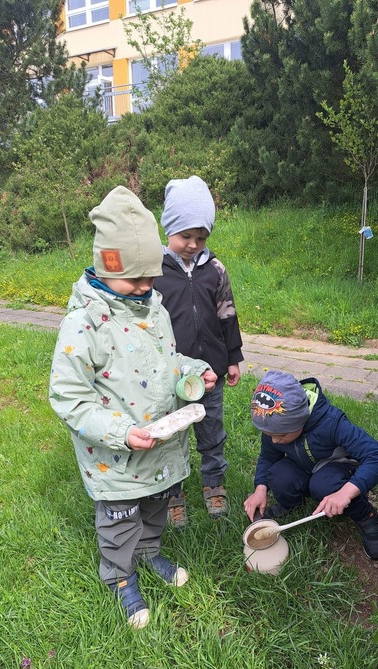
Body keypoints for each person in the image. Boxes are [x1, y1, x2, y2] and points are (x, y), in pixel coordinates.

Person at [49, 186, 217, 629]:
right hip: (116, 455)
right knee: (120, 518)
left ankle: (149, 552)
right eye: (134, 279)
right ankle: (120, 575)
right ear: (108, 266)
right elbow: (68, 396)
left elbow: (168, 361)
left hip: (159, 443)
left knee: (156, 505)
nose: (145, 287)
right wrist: (120, 433)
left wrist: (192, 372)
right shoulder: (84, 324)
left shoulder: (153, 308)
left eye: (151, 278)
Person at [154, 175, 244, 526]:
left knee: (211, 432)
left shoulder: (215, 269)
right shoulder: (153, 272)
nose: (193, 244)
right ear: (168, 229)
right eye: (185, 236)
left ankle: (213, 483)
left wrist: (232, 357)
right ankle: (172, 493)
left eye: (201, 237)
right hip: (171, 376)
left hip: (210, 374)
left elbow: (227, 313)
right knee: (171, 437)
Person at [244, 370, 378, 560]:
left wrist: (346, 493)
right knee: (278, 475)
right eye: (269, 435)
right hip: (304, 465)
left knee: (323, 485)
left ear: (300, 420)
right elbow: (268, 456)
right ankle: (291, 505)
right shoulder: (274, 424)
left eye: (280, 435)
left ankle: (366, 516)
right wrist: (260, 489)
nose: (274, 440)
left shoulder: (332, 422)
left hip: (337, 468)